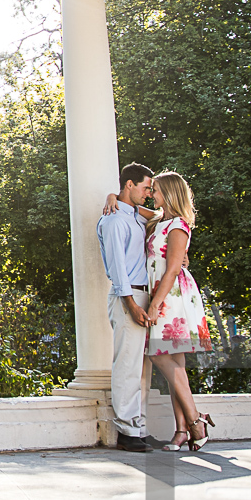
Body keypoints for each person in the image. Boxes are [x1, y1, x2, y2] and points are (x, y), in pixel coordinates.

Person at [143, 171, 215, 450]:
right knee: (176, 365)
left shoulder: (178, 226)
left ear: (170, 193)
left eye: (157, 190)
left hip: (171, 296)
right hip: (163, 293)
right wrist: (113, 197)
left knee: (158, 355)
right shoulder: (160, 220)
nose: (152, 194)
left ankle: (196, 420)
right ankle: (182, 430)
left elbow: (173, 268)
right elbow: (136, 207)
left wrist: (155, 303)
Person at [96, 163, 155, 453]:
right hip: (127, 297)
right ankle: (127, 430)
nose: (149, 194)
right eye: (146, 188)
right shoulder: (114, 220)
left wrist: (113, 196)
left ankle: (139, 427)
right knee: (128, 364)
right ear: (129, 184)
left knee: (143, 368)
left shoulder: (134, 215)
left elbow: (161, 217)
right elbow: (118, 268)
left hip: (144, 296)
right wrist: (130, 303)